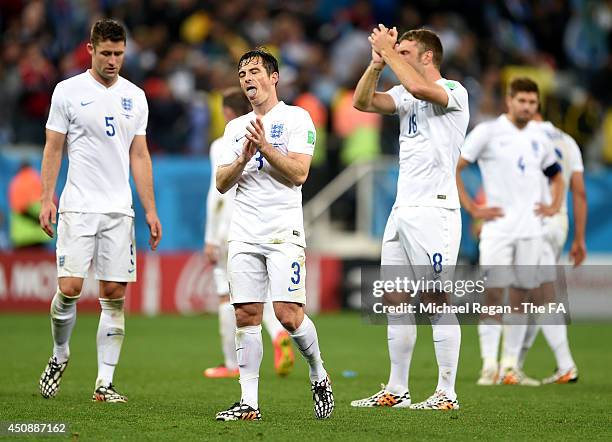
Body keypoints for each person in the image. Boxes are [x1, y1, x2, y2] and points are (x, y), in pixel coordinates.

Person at [38, 18, 162, 403]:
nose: (113, 61)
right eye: (106, 53)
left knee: (113, 295)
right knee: (70, 289)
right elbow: (53, 147)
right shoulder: (68, 92)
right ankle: (60, 353)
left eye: (119, 54)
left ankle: (104, 385)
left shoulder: (135, 96)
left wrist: (150, 209)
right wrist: (47, 197)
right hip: (77, 206)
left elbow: (139, 154)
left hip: (118, 210)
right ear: (90, 50)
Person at [351, 26, 469, 410]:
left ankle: (446, 393)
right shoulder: (404, 93)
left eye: (404, 51)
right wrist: (375, 63)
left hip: (436, 210)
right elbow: (362, 102)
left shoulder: (454, 92)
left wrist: (389, 52)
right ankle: (397, 389)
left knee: (436, 300)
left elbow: (420, 90)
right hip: (402, 210)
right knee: (396, 300)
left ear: (427, 56)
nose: (395, 55)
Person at [214, 48, 334, 421]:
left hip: (283, 232)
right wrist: (243, 157)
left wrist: (265, 147)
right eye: (242, 74)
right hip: (244, 232)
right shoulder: (235, 129)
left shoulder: (297, 119)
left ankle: (318, 371)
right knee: (246, 314)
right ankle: (249, 402)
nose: (247, 79)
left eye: (254, 71)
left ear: (274, 77)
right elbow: (221, 183)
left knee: (288, 315)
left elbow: (299, 174)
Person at [456, 77, 563, 386]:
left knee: (522, 298)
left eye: (533, 103)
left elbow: (557, 176)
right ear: (509, 101)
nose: (528, 107)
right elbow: (456, 167)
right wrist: (473, 209)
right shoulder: (488, 132)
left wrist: (554, 205)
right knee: (492, 295)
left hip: (531, 230)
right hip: (498, 229)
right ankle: (489, 364)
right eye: (523, 101)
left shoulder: (540, 138)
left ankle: (510, 366)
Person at [203, 87, 294, 379]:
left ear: (228, 112)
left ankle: (231, 365)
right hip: (258, 222)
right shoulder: (266, 134)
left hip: (230, 228)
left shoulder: (223, 141)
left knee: (227, 297)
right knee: (261, 295)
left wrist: (210, 237)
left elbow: (215, 195)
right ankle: (279, 332)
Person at [517, 114, 586, 384]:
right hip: (559, 223)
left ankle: (566, 364)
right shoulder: (568, 141)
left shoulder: (525, 137)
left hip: (536, 220)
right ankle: (515, 364)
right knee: (535, 295)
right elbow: (579, 191)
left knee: (541, 295)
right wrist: (579, 239)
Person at [8, 162, 53, 249]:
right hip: (41, 234)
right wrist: (41, 220)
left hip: (22, 236)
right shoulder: (40, 180)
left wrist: (35, 219)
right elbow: (53, 202)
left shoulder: (17, 182)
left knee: (23, 261)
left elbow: (20, 208)